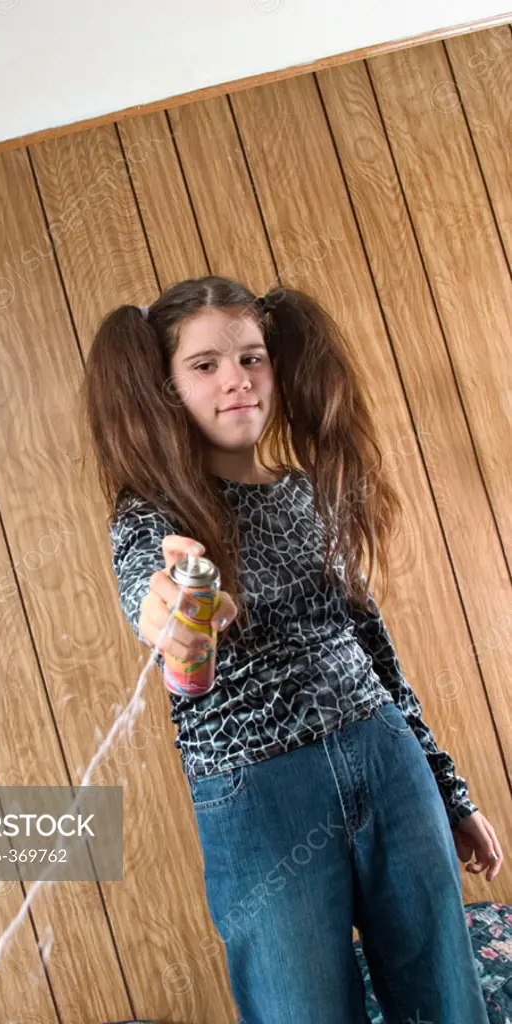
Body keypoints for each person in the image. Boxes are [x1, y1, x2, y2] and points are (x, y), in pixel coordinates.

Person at [80, 275, 503, 1023]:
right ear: (169, 388)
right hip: (260, 800)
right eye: (205, 365)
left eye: (251, 358)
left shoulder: (313, 492)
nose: (236, 381)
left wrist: (448, 789)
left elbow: (377, 652)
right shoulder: (154, 520)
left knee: (447, 1001)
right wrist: (173, 613)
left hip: (387, 761)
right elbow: (153, 601)